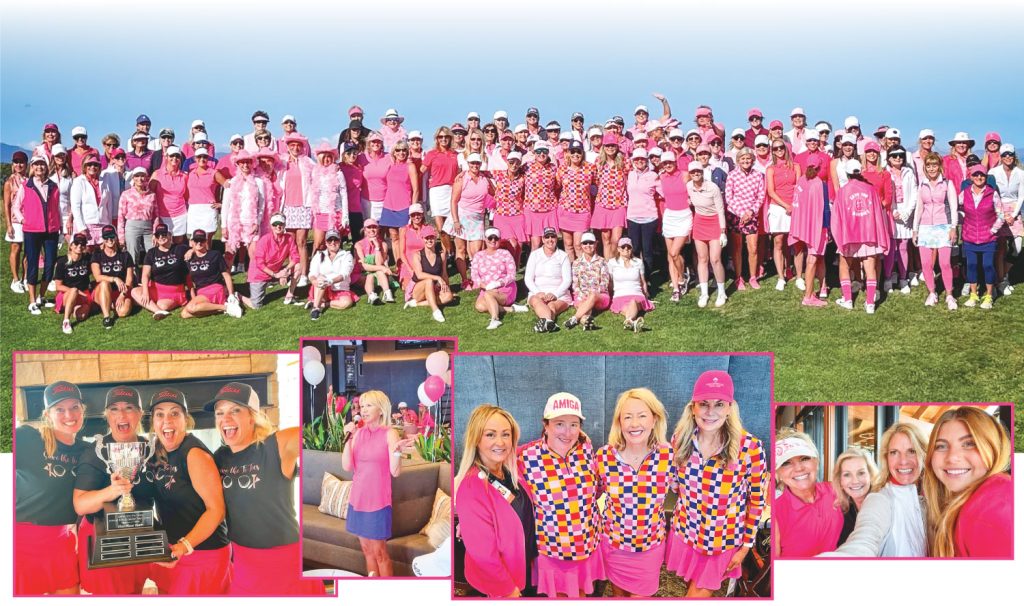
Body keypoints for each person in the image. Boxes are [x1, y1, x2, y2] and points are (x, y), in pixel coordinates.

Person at [206, 382, 323, 594]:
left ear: (252, 416)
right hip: (243, 562)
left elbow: (315, 432)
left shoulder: (275, 445)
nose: (226, 418)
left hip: (283, 560)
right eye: (220, 413)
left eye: (235, 410)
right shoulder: (219, 457)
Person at [667, 371, 766, 597]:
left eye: (719, 404)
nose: (710, 412)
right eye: (704, 404)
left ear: (730, 407)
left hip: (721, 541)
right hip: (687, 533)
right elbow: (674, 485)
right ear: (693, 407)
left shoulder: (750, 448)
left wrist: (746, 547)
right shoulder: (680, 439)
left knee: (696, 594)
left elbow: (757, 501)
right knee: (689, 584)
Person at [518, 393, 603, 597]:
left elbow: (598, 487)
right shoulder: (525, 457)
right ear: (545, 425)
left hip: (587, 544)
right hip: (552, 549)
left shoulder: (587, 449)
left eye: (574, 424)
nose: (567, 432)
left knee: (583, 593)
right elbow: (485, 467)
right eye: (559, 424)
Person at [145, 388, 230, 594]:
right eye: (160, 414)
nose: (167, 421)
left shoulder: (195, 454)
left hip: (202, 554)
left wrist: (184, 546)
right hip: (174, 551)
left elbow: (216, 511)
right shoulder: (156, 451)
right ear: (153, 422)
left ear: (186, 419)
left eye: (175, 413)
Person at [72, 386, 153, 594]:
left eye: (129, 408)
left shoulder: (151, 449)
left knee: (134, 591)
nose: (122, 415)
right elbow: (80, 505)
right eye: (114, 409)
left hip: (138, 534)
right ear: (107, 415)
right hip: (102, 540)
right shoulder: (95, 452)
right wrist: (112, 490)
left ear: (140, 414)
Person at [595, 388, 674, 597]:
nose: (634, 424)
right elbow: (589, 493)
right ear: (619, 422)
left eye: (642, 416)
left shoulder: (669, 456)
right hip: (613, 546)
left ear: (654, 419)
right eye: (627, 417)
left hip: (649, 547)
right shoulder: (604, 457)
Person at [14, 380, 87, 595]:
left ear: (82, 410)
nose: (69, 414)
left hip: (61, 541)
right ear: (47, 414)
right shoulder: (27, 438)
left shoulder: (88, 451)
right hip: (21, 543)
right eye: (60, 409)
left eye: (75, 407)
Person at [454, 405, 535, 598]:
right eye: (490, 435)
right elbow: (483, 555)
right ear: (476, 439)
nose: (500, 442)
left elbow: (532, 448)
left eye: (505, 434)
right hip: (501, 584)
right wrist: (509, 591)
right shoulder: (472, 487)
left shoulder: (510, 468)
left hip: (525, 569)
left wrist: (568, 435)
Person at [822, 423, 929, 557]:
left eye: (912, 451)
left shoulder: (933, 497)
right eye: (894, 452)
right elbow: (864, 538)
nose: (903, 461)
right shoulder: (878, 499)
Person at [341, 390, 415, 577]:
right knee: (366, 550)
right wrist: (348, 438)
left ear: (381, 410)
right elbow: (347, 465)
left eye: (369, 405)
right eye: (362, 405)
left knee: (380, 553)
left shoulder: (389, 434)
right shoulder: (357, 434)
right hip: (357, 500)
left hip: (378, 503)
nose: (363, 410)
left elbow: (395, 472)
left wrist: (397, 451)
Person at [922, 407, 1012, 557]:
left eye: (969, 443)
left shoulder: (989, 510)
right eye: (941, 446)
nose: (952, 457)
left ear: (994, 447)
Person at [832, 161, 891, 313]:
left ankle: (847, 300)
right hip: (869, 234)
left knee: (844, 266)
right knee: (870, 268)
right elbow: (878, 214)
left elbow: (837, 217)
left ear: (847, 173)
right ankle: (870, 303)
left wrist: (838, 236)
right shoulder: (871, 190)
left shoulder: (842, 191)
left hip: (849, 235)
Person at [773, 428, 843, 557]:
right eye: (786, 463)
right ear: (777, 472)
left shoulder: (836, 490)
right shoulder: (776, 512)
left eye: (804, 458)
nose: (799, 468)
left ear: (816, 461)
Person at [13, 156, 62, 314]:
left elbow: (57, 209)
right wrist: (23, 220)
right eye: (36, 164)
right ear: (32, 167)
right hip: (32, 231)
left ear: (46, 167)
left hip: (51, 231)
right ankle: (32, 301)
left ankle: (41, 296)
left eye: (42, 164)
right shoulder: (26, 185)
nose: (39, 167)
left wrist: (60, 227)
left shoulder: (54, 186)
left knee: (49, 265)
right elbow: (16, 207)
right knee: (33, 265)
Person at [913, 153, 959, 310]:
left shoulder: (948, 184)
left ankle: (949, 294)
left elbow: (953, 207)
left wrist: (953, 227)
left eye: (934, 165)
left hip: (943, 226)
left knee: (945, 263)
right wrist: (915, 229)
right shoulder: (922, 184)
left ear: (939, 166)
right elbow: (919, 208)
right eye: (928, 165)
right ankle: (932, 292)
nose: (931, 168)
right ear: (925, 167)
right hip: (925, 228)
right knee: (926, 264)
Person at [788, 156, 831, 306]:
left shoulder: (801, 180)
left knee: (812, 259)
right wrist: (828, 229)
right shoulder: (820, 184)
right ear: (820, 167)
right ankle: (808, 297)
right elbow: (825, 210)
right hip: (817, 227)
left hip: (803, 225)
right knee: (813, 259)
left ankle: (812, 292)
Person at [959, 164, 1003, 309]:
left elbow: (1000, 214)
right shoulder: (964, 193)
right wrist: (963, 221)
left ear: (986, 177)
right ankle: (973, 294)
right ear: (971, 177)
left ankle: (989, 295)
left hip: (988, 238)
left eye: (982, 175)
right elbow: (957, 209)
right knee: (971, 265)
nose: (979, 177)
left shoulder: (992, 193)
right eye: (976, 175)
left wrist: (993, 230)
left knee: (987, 265)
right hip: (969, 237)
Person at [446, 153, 493, 288]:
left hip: (477, 217)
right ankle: (464, 279)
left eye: (477, 163)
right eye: (472, 163)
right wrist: (455, 221)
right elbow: (453, 201)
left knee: (477, 250)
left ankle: (476, 277)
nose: (475, 165)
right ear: (468, 164)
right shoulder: (461, 179)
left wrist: (489, 177)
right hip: (461, 215)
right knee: (460, 249)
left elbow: (494, 193)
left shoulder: (485, 179)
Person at [687, 160, 728, 308]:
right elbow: (689, 201)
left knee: (715, 259)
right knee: (702, 259)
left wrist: (723, 231)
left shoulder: (713, 187)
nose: (695, 174)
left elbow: (720, 209)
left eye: (698, 171)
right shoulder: (689, 187)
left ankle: (722, 292)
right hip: (699, 223)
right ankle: (704, 293)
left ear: (702, 172)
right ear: (690, 174)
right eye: (692, 172)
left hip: (715, 222)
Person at [725, 148, 766, 291]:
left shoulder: (758, 176)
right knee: (737, 248)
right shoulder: (732, 175)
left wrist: (751, 212)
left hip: (752, 215)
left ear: (752, 160)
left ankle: (753, 277)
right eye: (743, 158)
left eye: (748, 158)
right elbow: (728, 198)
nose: (746, 161)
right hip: (736, 215)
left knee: (753, 248)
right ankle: (738, 277)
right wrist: (741, 213)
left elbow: (761, 196)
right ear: (738, 160)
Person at [278, 134, 315, 282]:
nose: (295, 148)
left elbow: (319, 174)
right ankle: (292, 272)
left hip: (303, 206)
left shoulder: (308, 162)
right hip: (287, 207)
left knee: (302, 242)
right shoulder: (282, 162)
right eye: (292, 145)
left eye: (298, 145)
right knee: (290, 243)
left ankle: (304, 274)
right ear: (287, 147)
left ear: (302, 147)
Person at [181, 229, 242, 319]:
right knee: (184, 314)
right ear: (192, 242)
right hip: (201, 291)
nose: (199, 243)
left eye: (202, 240)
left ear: (206, 241)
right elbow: (190, 281)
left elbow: (226, 275)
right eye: (196, 240)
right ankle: (222, 308)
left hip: (215, 287)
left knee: (191, 308)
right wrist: (194, 297)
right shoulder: (189, 258)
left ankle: (227, 307)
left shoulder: (214, 255)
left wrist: (231, 294)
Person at [765, 140, 802, 290]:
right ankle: (781, 277)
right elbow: (771, 191)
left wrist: (793, 204)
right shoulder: (771, 169)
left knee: (798, 243)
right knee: (778, 242)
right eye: (776, 148)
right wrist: (785, 205)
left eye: (782, 147)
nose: (779, 150)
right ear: (772, 151)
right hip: (778, 207)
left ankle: (799, 276)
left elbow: (799, 187)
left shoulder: (796, 166)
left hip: (794, 206)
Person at [131, 223, 188, 319]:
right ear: (155, 238)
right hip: (156, 288)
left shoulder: (180, 248)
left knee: (162, 305)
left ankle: (157, 308)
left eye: (164, 234)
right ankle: (158, 311)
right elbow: (145, 274)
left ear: (170, 235)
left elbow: (198, 249)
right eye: (158, 235)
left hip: (174, 290)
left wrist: (191, 251)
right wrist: (145, 291)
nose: (161, 237)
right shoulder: (151, 252)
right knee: (134, 291)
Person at [245, 212, 301, 309]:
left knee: (298, 266)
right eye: (275, 224)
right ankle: (239, 296)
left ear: (284, 225)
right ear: (271, 226)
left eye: (281, 224)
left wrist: (285, 270)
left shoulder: (289, 238)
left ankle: (289, 295)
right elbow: (260, 264)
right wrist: (276, 275)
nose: (278, 226)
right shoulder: (264, 240)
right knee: (256, 305)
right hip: (260, 273)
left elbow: (295, 257)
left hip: (276, 270)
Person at [222, 151, 266, 271]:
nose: (245, 165)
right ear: (237, 164)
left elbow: (261, 205)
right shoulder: (231, 183)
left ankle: (256, 286)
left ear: (252, 164)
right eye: (242, 162)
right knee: (229, 256)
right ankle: (226, 287)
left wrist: (257, 222)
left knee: (254, 256)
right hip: (233, 223)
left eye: (248, 162)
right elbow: (225, 206)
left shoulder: (259, 183)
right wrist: (223, 226)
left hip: (251, 223)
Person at [657, 151, 692, 301]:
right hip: (669, 216)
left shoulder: (685, 175)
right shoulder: (662, 177)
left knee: (674, 252)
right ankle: (676, 288)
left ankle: (683, 278)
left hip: (684, 215)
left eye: (670, 162)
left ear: (675, 162)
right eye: (665, 163)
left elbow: (693, 190)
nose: (668, 165)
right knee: (670, 255)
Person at [471, 227, 521, 330]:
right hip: (486, 288)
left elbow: (512, 275)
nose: (493, 241)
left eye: (496, 238)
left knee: (489, 295)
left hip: (505, 288)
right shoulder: (478, 255)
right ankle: (511, 309)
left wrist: (498, 284)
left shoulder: (505, 254)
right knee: (480, 306)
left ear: (499, 239)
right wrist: (484, 286)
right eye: (490, 238)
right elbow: (474, 275)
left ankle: (495, 319)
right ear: (485, 239)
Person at [883, 146, 918, 294]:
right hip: (891, 212)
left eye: (900, 155)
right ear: (889, 158)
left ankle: (903, 279)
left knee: (903, 247)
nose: (898, 158)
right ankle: (888, 278)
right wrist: (893, 210)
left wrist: (907, 212)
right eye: (894, 155)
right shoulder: (885, 173)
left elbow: (915, 192)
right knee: (891, 248)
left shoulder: (909, 172)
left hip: (905, 214)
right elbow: (884, 193)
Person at [525, 226, 572, 333]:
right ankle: (549, 322)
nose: (550, 240)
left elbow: (567, 280)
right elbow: (528, 278)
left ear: (556, 238)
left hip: (559, 293)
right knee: (536, 301)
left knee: (552, 306)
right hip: (538, 291)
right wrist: (537, 292)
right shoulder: (535, 255)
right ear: (542, 239)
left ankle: (546, 321)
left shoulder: (563, 256)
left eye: (553, 237)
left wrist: (555, 294)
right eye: (547, 237)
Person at [421, 126, 459, 259]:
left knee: (451, 226)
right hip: (436, 191)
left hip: (451, 190)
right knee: (441, 229)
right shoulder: (432, 154)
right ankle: (450, 253)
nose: (443, 139)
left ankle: (452, 253)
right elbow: (421, 171)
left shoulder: (456, 155)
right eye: (440, 137)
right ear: (437, 139)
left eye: (446, 137)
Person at [556, 141, 595, 261]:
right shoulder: (562, 169)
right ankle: (571, 272)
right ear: (568, 153)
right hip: (565, 211)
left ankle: (581, 272)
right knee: (568, 245)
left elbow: (598, 185)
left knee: (578, 245)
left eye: (578, 151)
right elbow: (556, 188)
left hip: (582, 212)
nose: (576, 154)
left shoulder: (590, 168)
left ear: (582, 153)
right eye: (573, 151)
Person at [381, 141, 418, 267]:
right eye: (398, 150)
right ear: (394, 152)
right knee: (394, 237)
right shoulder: (390, 166)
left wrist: (413, 209)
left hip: (404, 206)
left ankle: (407, 265)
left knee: (404, 238)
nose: (401, 153)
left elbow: (416, 189)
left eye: (404, 150)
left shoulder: (410, 166)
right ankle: (398, 265)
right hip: (389, 205)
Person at [624, 149, 660, 277]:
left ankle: (647, 279)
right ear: (633, 161)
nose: (639, 161)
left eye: (642, 159)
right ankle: (635, 277)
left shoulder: (653, 175)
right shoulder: (630, 175)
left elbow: (663, 192)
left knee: (647, 250)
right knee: (634, 249)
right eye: (637, 159)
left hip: (649, 217)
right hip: (632, 216)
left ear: (646, 161)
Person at [90, 224, 135, 328]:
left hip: (120, 291)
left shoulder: (125, 255)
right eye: (106, 237)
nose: (109, 239)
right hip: (102, 290)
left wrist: (122, 295)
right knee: (105, 283)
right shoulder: (97, 254)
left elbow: (129, 280)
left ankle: (108, 304)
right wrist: (115, 279)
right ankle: (107, 317)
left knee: (123, 312)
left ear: (116, 236)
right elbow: (97, 277)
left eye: (112, 236)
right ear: (103, 239)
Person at [831, 448, 878, 547]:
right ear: (840, 481)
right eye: (847, 475)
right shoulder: (843, 511)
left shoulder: (883, 505)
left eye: (861, 473)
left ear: (871, 475)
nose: (855, 481)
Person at [992, 144, 1023, 293]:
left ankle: (1003, 275)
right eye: (1004, 154)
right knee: (1001, 249)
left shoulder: (1020, 173)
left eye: (1010, 154)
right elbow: (992, 194)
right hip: (999, 211)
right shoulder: (994, 172)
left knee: (1017, 248)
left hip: (1015, 212)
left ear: (1014, 155)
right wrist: (1002, 214)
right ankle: (1002, 280)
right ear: (1001, 157)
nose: (1008, 157)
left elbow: (1021, 195)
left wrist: (1014, 214)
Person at [591, 134, 628, 258]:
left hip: (619, 204)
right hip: (602, 203)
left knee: (616, 239)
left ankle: (613, 265)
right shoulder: (598, 162)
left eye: (613, 145)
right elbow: (595, 181)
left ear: (616, 146)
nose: (610, 148)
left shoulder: (624, 161)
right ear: (603, 147)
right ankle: (608, 269)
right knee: (605, 239)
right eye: (607, 145)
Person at [309, 142, 349, 256]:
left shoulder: (338, 173)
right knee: (318, 244)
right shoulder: (315, 172)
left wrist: (345, 216)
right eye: (324, 156)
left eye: (329, 157)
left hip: (335, 213)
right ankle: (314, 268)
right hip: (321, 212)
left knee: (334, 243)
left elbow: (344, 194)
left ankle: (334, 268)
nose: (327, 159)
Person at [404, 226, 451, 322]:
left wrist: (445, 285)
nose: (429, 240)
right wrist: (437, 278)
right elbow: (419, 275)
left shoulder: (441, 254)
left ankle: (416, 304)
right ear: (422, 239)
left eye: (431, 237)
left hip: (433, 287)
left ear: (435, 238)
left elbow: (444, 273)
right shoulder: (417, 255)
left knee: (449, 296)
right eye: (426, 238)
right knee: (428, 281)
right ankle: (436, 311)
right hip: (418, 289)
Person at [308, 229, 357, 320]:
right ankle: (315, 308)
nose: (333, 243)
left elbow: (345, 274)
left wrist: (330, 281)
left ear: (340, 241)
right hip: (322, 287)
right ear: (326, 242)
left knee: (347, 303)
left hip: (340, 288)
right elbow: (312, 273)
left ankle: (322, 304)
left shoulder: (347, 255)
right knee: (321, 279)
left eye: (336, 240)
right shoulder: (319, 255)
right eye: (330, 240)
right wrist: (314, 281)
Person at [565, 231, 610, 330]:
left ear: (596, 244)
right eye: (585, 243)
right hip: (582, 295)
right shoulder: (576, 263)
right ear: (581, 245)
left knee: (592, 296)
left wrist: (592, 293)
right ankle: (585, 321)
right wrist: (582, 294)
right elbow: (575, 284)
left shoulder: (602, 261)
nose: (588, 245)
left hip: (600, 296)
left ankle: (575, 318)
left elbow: (605, 282)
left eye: (591, 243)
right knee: (585, 309)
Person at [52, 232, 94, 334]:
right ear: (71, 245)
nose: (79, 246)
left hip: (84, 293)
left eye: (82, 244)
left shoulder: (87, 259)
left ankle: (74, 308)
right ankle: (66, 321)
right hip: (66, 294)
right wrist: (76, 292)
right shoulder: (62, 262)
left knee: (81, 316)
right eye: (76, 243)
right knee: (74, 290)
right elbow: (58, 286)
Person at [608, 236, 652, 332]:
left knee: (633, 302)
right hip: (619, 295)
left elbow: (643, 281)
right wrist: (610, 296)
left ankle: (629, 321)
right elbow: (610, 282)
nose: (626, 249)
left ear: (632, 249)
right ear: (618, 249)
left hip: (636, 294)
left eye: (629, 247)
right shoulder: (612, 263)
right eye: (623, 247)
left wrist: (646, 294)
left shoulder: (638, 262)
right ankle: (633, 322)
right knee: (627, 307)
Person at [118, 166, 160, 265]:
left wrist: (155, 233)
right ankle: (133, 278)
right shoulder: (126, 194)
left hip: (148, 226)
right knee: (133, 255)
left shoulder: (151, 195)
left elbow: (156, 215)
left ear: (146, 178)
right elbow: (121, 216)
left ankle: (152, 277)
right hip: (132, 226)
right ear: (133, 178)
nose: (140, 179)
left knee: (153, 253)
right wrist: (121, 237)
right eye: (137, 176)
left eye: (142, 176)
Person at [490, 151, 528, 263]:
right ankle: (506, 268)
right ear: (507, 162)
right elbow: (481, 173)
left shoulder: (523, 178)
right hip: (502, 215)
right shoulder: (498, 174)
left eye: (517, 163)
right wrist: (462, 174)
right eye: (511, 162)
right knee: (512, 244)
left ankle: (514, 274)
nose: (514, 165)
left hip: (518, 215)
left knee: (519, 247)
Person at [150, 146, 188, 243]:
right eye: (172, 156)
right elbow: (150, 193)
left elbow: (187, 195)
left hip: (180, 214)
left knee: (178, 242)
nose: (174, 158)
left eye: (177, 156)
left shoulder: (184, 176)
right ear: (166, 157)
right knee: (163, 242)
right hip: (162, 215)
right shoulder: (157, 174)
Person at [5, 150, 29, 293]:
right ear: (13, 164)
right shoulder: (9, 182)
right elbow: (7, 205)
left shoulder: (29, 180)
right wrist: (8, 224)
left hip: (29, 219)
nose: (19, 165)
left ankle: (26, 278)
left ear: (26, 164)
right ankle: (15, 279)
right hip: (15, 221)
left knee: (29, 250)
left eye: (21, 162)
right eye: (16, 162)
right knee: (16, 248)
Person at [185, 148, 221, 237]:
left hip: (208, 209)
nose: (202, 159)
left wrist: (222, 204)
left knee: (206, 239)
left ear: (208, 158)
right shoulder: (191, 174)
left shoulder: (214, 173)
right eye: (199, 157)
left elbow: (228, 186)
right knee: (193, 239)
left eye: (204, 156)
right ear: (195, 159)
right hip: (193, 209)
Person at [398, 203, 429, 289]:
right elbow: (402, 253)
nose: (416, 217)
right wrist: (410, 269)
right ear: (410, 216)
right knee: (408, 288)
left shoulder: (428, 228)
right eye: (413, 215)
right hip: (408, 263)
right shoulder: (404, 230)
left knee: (423, 287)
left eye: (418, 214)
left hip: (423, 262)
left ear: (422, 214)